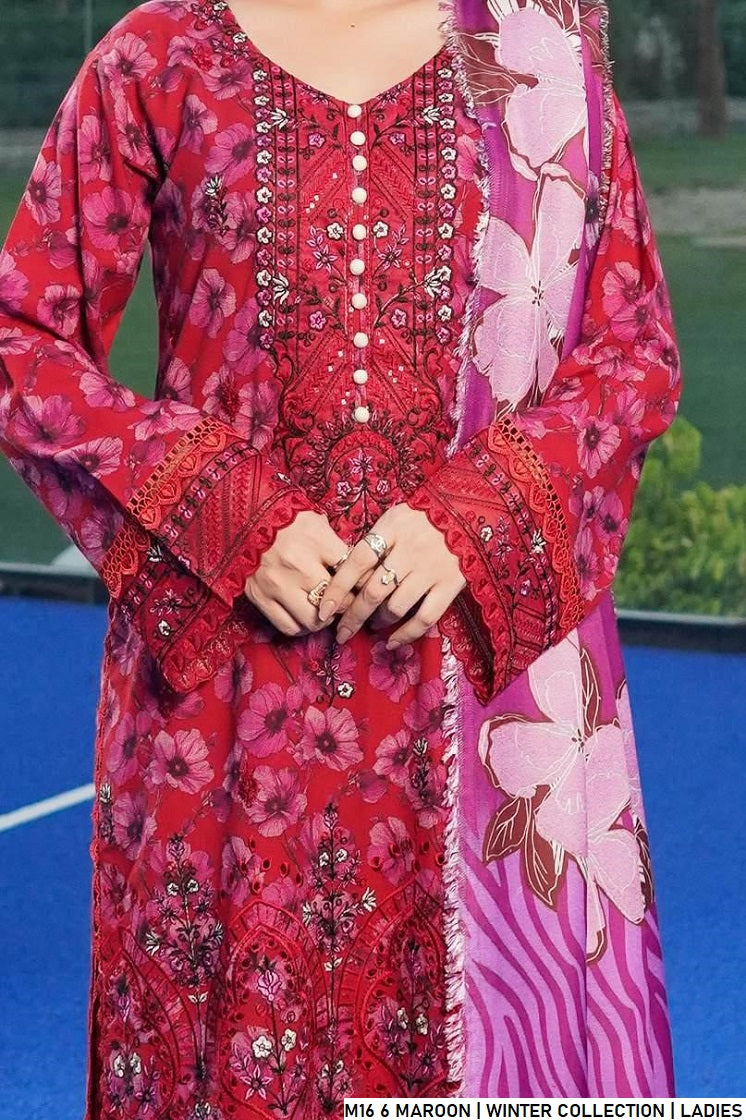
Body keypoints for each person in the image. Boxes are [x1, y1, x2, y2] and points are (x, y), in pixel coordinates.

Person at [0, 0, 681, 1110]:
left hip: (474, 698)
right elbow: (22, 339)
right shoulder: (156, 59)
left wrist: (477, 515)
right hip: (222, 716)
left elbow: (631, 350)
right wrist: (218, 506)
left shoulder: (536, 60)